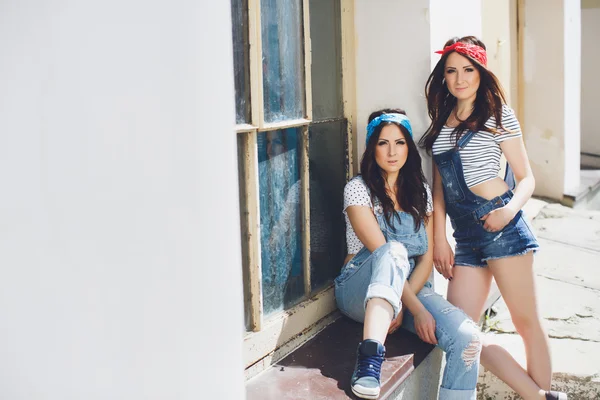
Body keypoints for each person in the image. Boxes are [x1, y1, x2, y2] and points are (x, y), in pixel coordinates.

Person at [419, 36, 567, 400]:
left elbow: (527, 177)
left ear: (481, 73)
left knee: (525, 323)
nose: (459, 78)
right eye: (451, 71)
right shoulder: (441, 119)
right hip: (465, 237)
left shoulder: (499, 114)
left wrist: (508, 211)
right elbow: (438, 187)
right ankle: (542, 398)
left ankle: (541, 393)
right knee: (460, 333)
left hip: (504, 227)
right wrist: (440, 239)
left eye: (468, 70)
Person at [335, 109, 482, 400]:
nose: (392, 152)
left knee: (468, 339)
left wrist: (407, 304)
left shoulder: (421, 193)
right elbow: (383, 254)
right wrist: (413, 309)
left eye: (400, 142)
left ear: (409, 148)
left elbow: (426, 258)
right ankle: (369, 361)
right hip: (359, 289)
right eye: (383, 143)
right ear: (371, 147)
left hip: (410, 290)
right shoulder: (358, 190)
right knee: (393, 250)